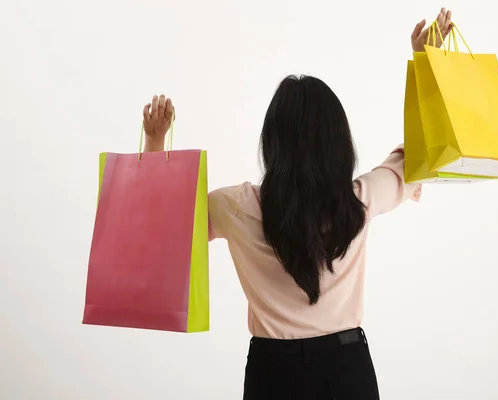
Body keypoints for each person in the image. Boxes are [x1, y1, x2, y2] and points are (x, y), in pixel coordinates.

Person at [142, 8, 453, 400]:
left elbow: (165, 226)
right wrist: (429, 62)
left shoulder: (237, 207)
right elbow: (423, 156)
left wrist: (154, 143)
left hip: (273, 372)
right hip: (347, 368)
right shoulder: (360, 200)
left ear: (272, 144)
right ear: (339, 142)